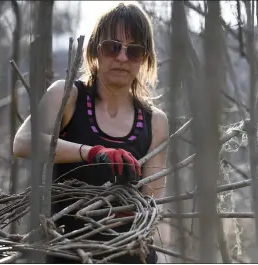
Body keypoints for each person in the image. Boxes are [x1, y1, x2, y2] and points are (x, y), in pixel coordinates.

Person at [13, 2, 168, 263]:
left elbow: (151, 199)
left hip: (128, 254)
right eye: (112, 47)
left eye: (134, 51)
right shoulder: (67, 96)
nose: (121, 58)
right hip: (65, 251)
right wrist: (92, 153)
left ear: (145, 58)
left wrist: (129, 208)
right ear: (95, 49)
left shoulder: (155, 120)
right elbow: (22, 143)